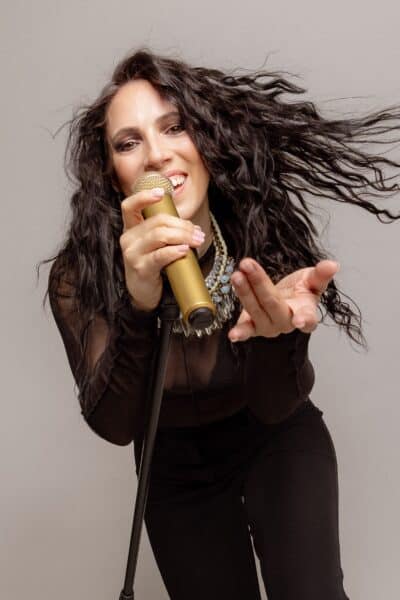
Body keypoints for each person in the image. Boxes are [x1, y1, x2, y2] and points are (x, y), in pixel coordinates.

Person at [40, 48, 400, 599]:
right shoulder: (79, 275)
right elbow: (115, 425)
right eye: (129, 142)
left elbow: (276, 404)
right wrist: (139, 303)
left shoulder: (259, 226)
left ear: (205, 141)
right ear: (112, 175)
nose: (157, 154)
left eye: (174, 127)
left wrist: (280, 338)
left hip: (276, 439)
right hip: (174, 470)